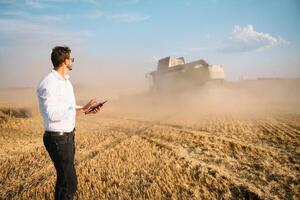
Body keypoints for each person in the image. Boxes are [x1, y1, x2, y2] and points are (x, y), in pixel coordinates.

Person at [36, 46, 100, 200]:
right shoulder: (48, 83)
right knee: (69, 182)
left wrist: (86, 109)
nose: (72, 61)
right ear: (65, 61)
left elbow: (68, 108)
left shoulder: (65, 82)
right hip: (57, 138)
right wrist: (81, 110)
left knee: (64, 180)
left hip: (67, 136)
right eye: (71, 59)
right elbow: (52, 114)